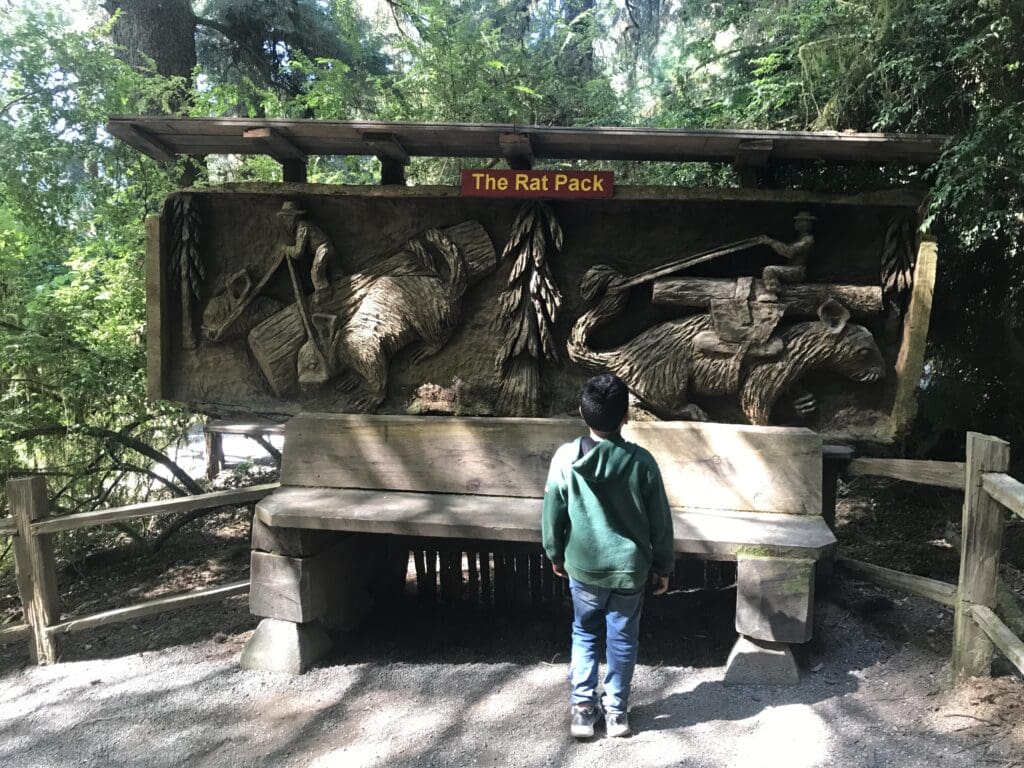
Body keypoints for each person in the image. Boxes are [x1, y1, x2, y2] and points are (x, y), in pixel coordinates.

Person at [541, 373, 674, 739]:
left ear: (583, 414)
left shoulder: (565, 459)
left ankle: (583, 710)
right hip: (630, 571)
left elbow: (552, 513)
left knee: (584, 633)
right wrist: (663, 565)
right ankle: (617, 712)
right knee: (623, 638)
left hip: (583, 569)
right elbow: (660, 522)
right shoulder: (642, 463)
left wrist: (555, 554)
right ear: (626, 416)